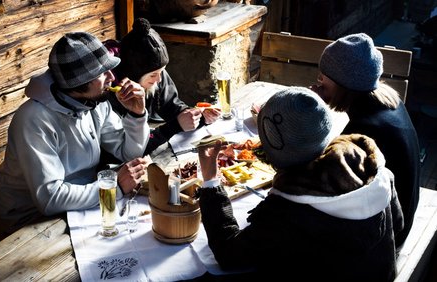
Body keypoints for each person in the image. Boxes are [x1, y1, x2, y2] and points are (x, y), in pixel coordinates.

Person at [196, 87, 403, 281]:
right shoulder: (370, 165)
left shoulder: (285, 214)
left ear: (275, 150)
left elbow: (229, 254)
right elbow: (398, 225)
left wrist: (211, 182)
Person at [0, 32, 150, 225]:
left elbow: (128, 153)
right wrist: (113, 187)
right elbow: (50, 199)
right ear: (79, 83)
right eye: (102, 73)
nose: (112, 77)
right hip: (33, 218)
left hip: (84, 199)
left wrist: (137, 115)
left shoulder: (95, 101)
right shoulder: (33, 119)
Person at [311, 33, 420, 247]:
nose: (319, 81)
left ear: (342, 82)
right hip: (400, 213)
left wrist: (313, 110)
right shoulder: (389, 101)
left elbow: (325, 181)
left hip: (388, 235)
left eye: (324, 76)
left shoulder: (365, 129)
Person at [105, 18, 221, 156]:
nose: (159, 79)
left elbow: (172, 107)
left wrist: (200, 118)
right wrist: (174, 126)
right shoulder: (109, 92)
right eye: (154, 75)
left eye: (161, 72)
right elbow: (131, 150)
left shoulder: (155, 72)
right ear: (133, 76)